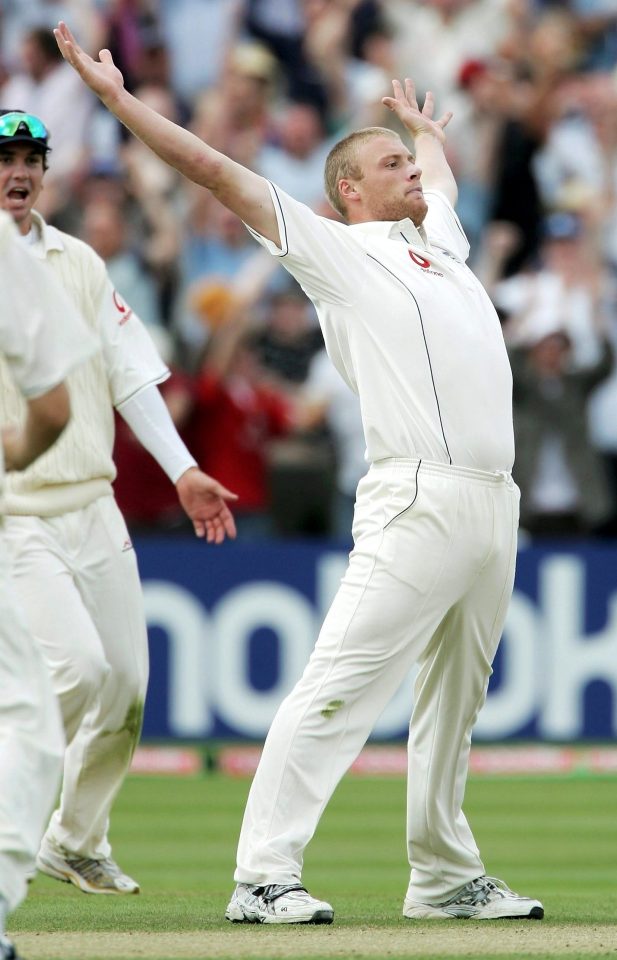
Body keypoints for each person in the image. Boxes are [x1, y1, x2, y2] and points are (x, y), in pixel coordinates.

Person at [54, 22, 545, 923]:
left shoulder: (441, 243)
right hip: (417, 497)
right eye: (389, 164)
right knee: (336, 689)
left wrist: (422, 131)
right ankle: (262, 876)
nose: (412, 173)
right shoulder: (335, 255)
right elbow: (214, 170)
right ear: (347, 192)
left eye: (409, 164)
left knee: (453, 706)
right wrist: (119, 102)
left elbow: (440, 181)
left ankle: (442, 876)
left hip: (493, 502)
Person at [0, 107, 237, 896]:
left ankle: (75, 838)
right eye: (4, 158)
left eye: (29, 157)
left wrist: (182, 470)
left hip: (93, 506)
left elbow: (129, 372)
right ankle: (13, 829)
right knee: (76, 673)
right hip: (17, 512)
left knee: (127, 688)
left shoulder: (80, 262)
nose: (17, 172)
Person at [0, 208, 96, 960]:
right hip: (25, 505)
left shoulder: (73, 259)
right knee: (29, 720)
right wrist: (13, 451)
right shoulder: (12, 249)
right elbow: (56, 408)